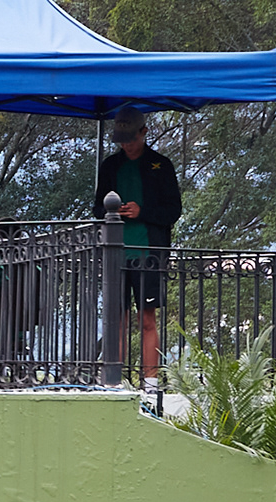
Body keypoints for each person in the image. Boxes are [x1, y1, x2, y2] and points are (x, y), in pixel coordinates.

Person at [95, 107, 181, 386]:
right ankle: (114, 379)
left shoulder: (161, 165)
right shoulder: (110, 166)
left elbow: (173, 211)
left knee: (147, 319)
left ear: (143, 133)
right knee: (116, 320)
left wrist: (141, 211)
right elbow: (97, 208)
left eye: (130, 138)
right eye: (121, 139)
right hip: (116, 255)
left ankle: (151, 381)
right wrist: (113, 213)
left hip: (149, 255)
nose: (126, 144)